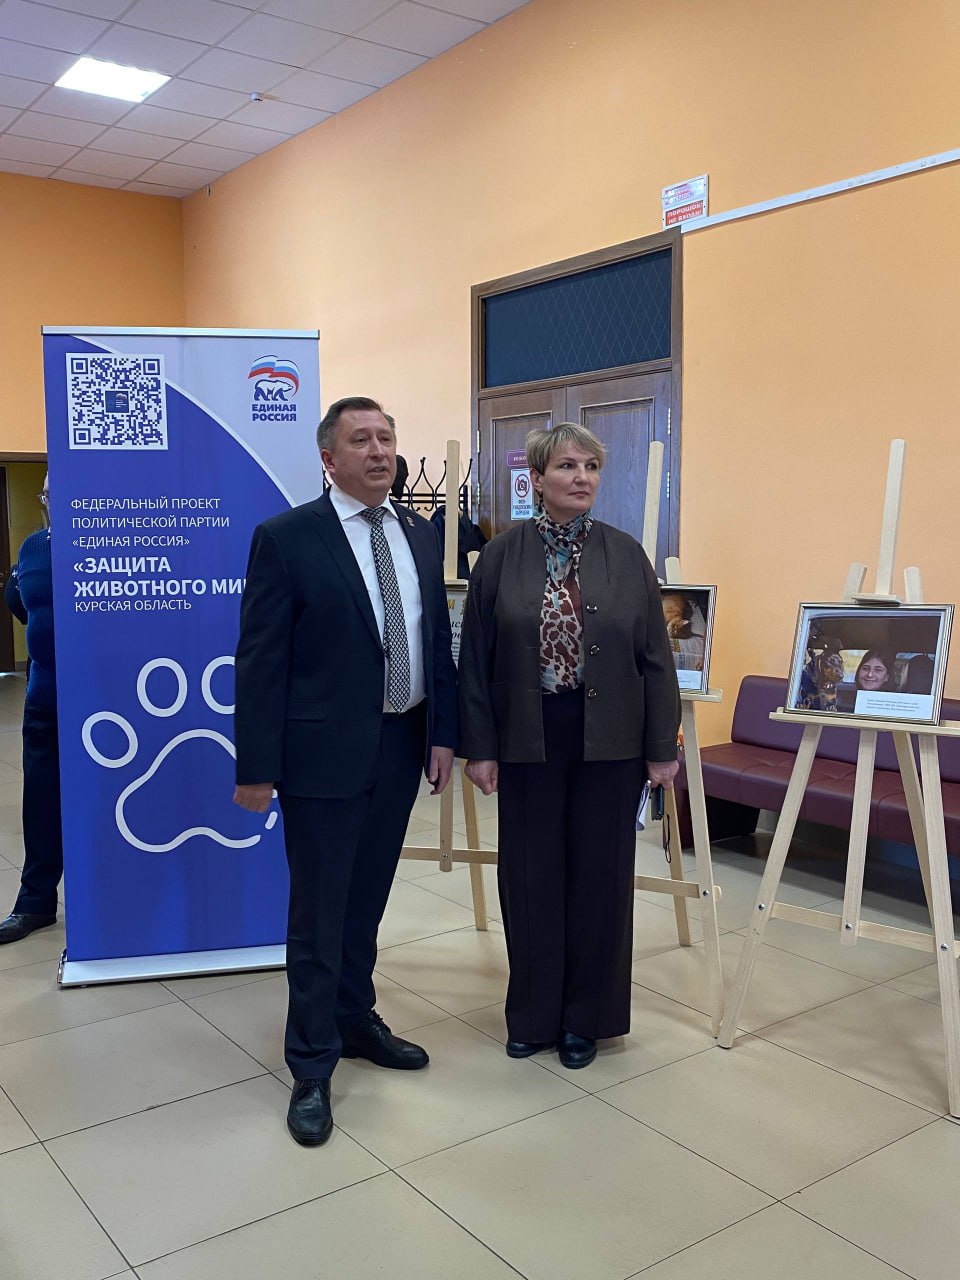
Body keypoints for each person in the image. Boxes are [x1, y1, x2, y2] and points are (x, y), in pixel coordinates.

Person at [233, 397, 457, 1147]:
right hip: (321, 757)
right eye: (361, 440)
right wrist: (256, 766)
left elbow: (435, 641)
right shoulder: (288, 538)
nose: (379, 450)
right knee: (319, 912)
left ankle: (355, 1019)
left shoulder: (420, 534)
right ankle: (311, 1063)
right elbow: (260, 660)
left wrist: (443, 733)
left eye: (387, 437)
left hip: (401, 744)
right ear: (329, 459)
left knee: (366, 901)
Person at [457, 423, 681, 1069]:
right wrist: (480, 746)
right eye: (566, 466)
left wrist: (660, 745)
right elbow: (475, 659)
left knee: (600, 877)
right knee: (530, 876)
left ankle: (589, 1018)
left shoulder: (626, 554)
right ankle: (533, 1015)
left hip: (611, 738)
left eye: (590, 466)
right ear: (536, 478)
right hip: (528, 734)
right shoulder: (501, 557)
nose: (581, 477)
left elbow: (655, 657)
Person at [0, 474, 63, 946]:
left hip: (106, 703)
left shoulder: (117, 538)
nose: (51, 500)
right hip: (45, 697)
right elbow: (21, 604)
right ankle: (34, 903)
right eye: (47, 493)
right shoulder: (33, 547)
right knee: (41, 802)